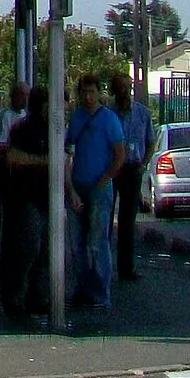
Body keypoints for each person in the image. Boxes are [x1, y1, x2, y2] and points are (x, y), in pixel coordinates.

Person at [65, 73, 126, 309]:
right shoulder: (77, 118)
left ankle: (101, 293)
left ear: (99, 93)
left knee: (98, 241)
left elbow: (120, 155)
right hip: (78, 186)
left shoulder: (109, 120)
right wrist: (71, 189)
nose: (89, 97)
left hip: (100, 188)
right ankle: (83, 290)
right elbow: (68, 152)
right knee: (78, 242)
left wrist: (103, 180)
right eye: (85, 92)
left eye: (92, 92)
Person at [0, 85, 52, 322]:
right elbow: (12, 157)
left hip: (44, 197)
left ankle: (37, 297)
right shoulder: (23, 129)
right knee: (26, 248)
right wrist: (43, 161)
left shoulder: (53, 130)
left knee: (43, 250)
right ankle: (15, 297)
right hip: (23, 197)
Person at [112, 74, 155, 283]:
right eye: (119, 88)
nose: (123, 92)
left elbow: (151, 141)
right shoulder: (108, 113)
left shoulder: (142, 113)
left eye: (126, 88)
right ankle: (102, 267)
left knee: (127, 222)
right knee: (104, 217)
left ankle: (126, 268)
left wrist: (144, 164)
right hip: (111, 169)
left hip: (132, 169)